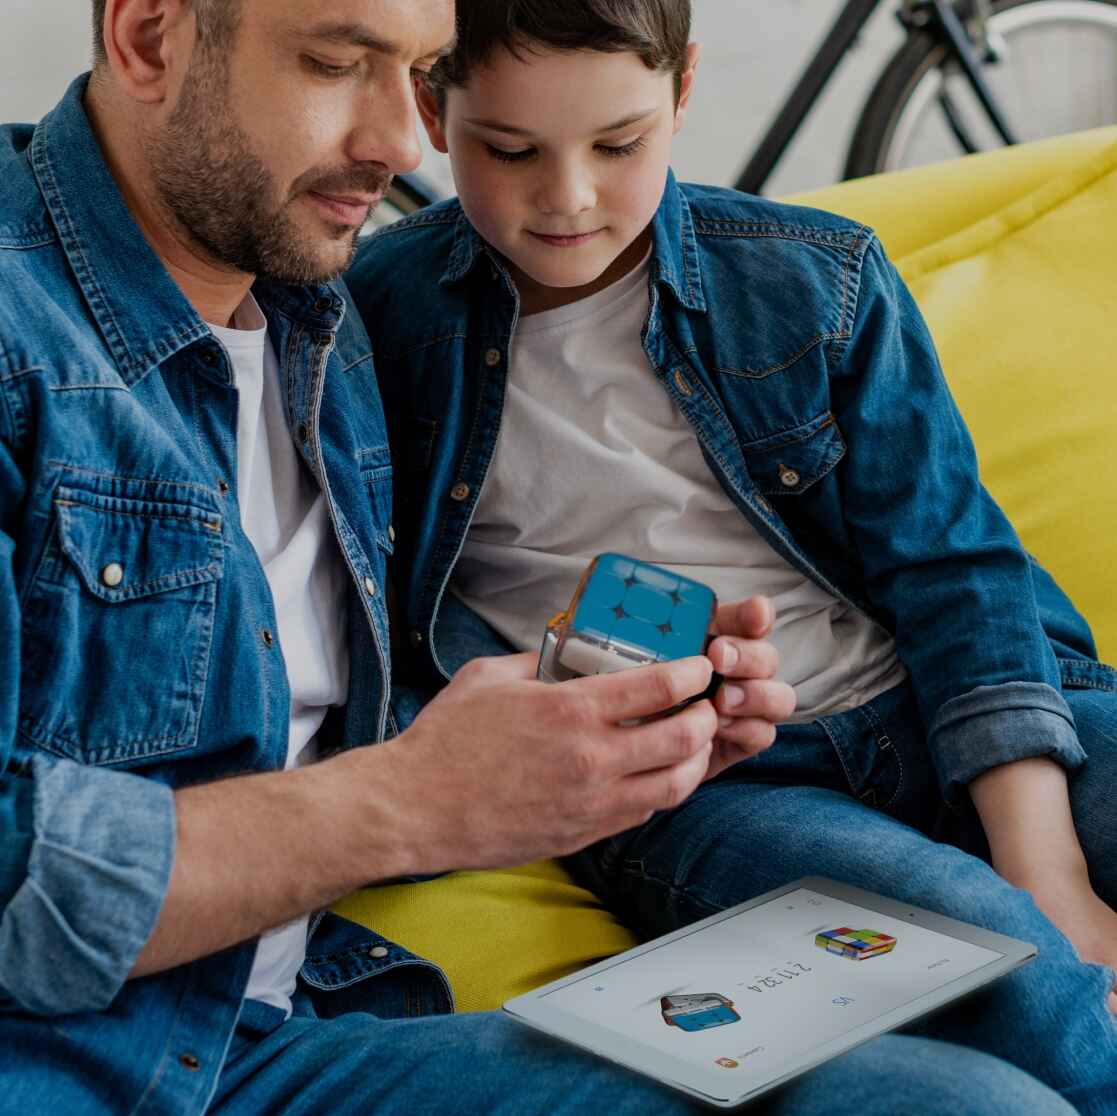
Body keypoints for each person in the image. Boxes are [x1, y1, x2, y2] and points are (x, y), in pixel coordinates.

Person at [1, 0, 1076, 1113]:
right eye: (334, 62)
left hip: (286, 1032)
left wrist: (578, 726)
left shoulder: (323, 330)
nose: (403, 143)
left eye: (417, 72)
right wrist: (408, 801)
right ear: (146, 36)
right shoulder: (57, 326)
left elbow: (307, 733)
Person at [345, 1, 1117, 1112]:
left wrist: (1045, 865)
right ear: (431, 105)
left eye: (619, 145)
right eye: (508, 150)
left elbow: (955, 568)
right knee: (1010, 963)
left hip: (932, 699)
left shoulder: (813, 277)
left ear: (683, 91)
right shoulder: (379, 325)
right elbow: (363, 631)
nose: (566, 198)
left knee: (1039, 893)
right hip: (706, 791)